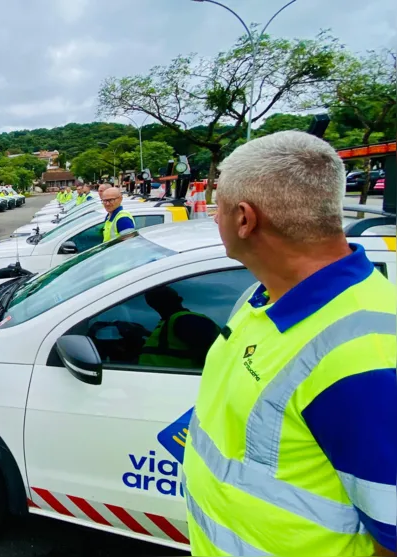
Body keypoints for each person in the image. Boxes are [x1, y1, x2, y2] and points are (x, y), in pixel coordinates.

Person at [182, 131, 396, 556]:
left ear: (244, 218)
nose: (214, 219)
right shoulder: (263, 297)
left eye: (218, 208)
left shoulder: (366, 357)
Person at [137, 286, 220, 368]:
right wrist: (145, 333)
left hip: (179, 378)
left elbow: (211, 353)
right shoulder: (170, 321)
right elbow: (172, 345)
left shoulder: (186, 320)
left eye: (164, 297)